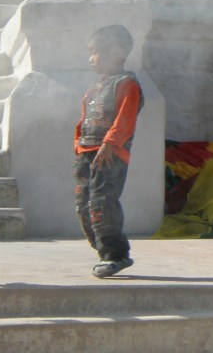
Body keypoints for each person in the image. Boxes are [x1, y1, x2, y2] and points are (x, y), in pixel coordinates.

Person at [74, 24, 143, 278]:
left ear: (116, 53)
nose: (91, 58)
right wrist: (78, 146)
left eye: (95, 52)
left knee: (102, 203)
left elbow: (125, 119)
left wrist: (109, 145)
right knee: (84, 205)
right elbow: (83, 120)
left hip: (109, 156)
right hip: (86, 153)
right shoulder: (95, 87)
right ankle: (102, 250)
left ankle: (115, 254)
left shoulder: (127, 84)